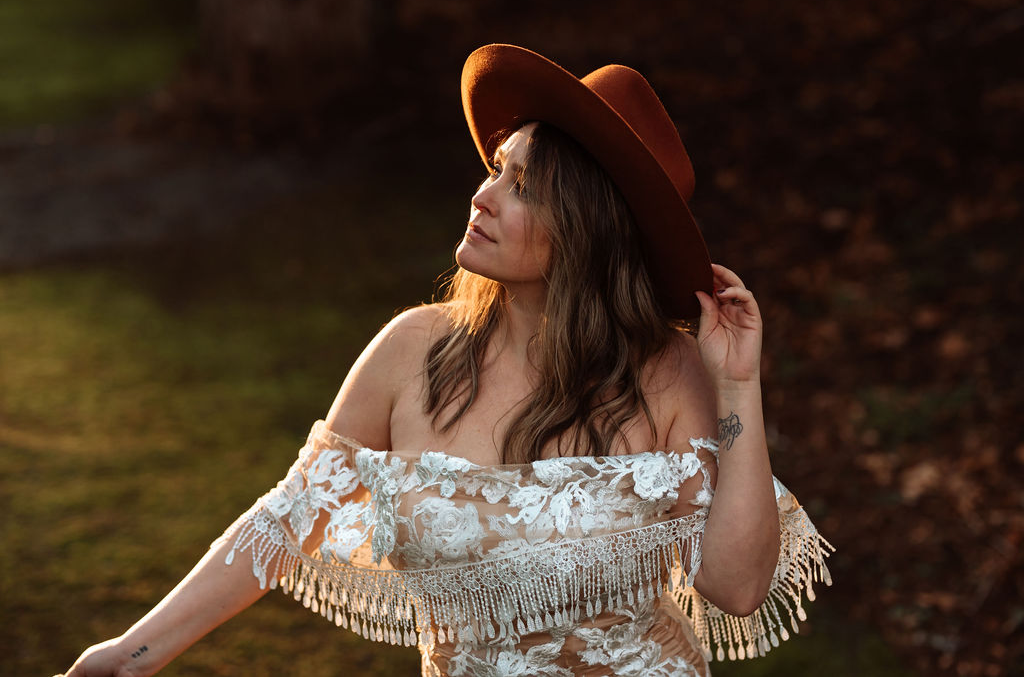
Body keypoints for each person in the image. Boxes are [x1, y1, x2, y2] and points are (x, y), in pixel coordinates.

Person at [64, 44, 832, 677]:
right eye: (496, 167)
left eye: (520, 185)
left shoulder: (665, 373)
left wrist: (737, 386)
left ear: (589, 232)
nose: (483, 195)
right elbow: (286, 518)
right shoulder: (411, 351)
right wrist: (132, 655)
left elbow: (734, 585)